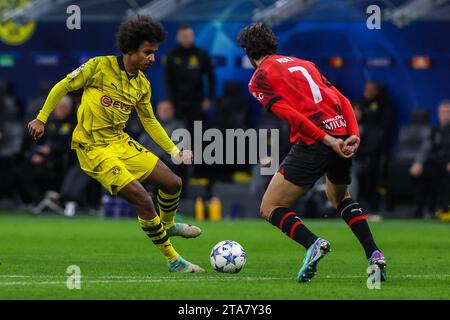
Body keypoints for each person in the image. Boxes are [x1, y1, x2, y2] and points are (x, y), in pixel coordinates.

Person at [27, 16, 205, 273]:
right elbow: (63, 86)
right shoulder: (99, 67)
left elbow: (151, 121)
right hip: (93, 148)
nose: (152, 58)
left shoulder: (142, 84)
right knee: (143, 199)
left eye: (155, 53)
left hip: (120, 142)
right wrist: (42, 118)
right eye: (148, 53)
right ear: (130, 49)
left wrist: (175, 151)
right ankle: (173, 259)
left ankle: (167, 224)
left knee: (173, 182)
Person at [237, 22, 386, 283]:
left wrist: (325, 139)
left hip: (317, 141)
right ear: (273, 44)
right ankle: (374, 254)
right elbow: (342, 99)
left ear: (249, 53)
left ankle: (313, 243)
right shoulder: (305, 64)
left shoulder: (259, 79)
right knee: (339, 196)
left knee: (270, 206)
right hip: (340, 133)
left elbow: (292, 116)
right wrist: (353, 134)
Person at [163, 25, 215, 132]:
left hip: (196, 102)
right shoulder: (171, 56)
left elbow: (211, 78)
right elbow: (168, 80)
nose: (186, 38)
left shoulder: (201, 54)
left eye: (189, 36)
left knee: (197, 134)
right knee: (178, 133)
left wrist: (208, 98)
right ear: (178, 37)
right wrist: (169, 100)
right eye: (184, 36)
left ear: (193, 37)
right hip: (177, 102)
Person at [409, 100, 450, 218]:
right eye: (442, 112)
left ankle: (445, 209)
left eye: (447, 112)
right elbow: (424, 149)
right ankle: (420, 209)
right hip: (435, 164)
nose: (444, 115)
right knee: (417, 173)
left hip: (447, 164)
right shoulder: (434, 130)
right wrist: (418, 163)